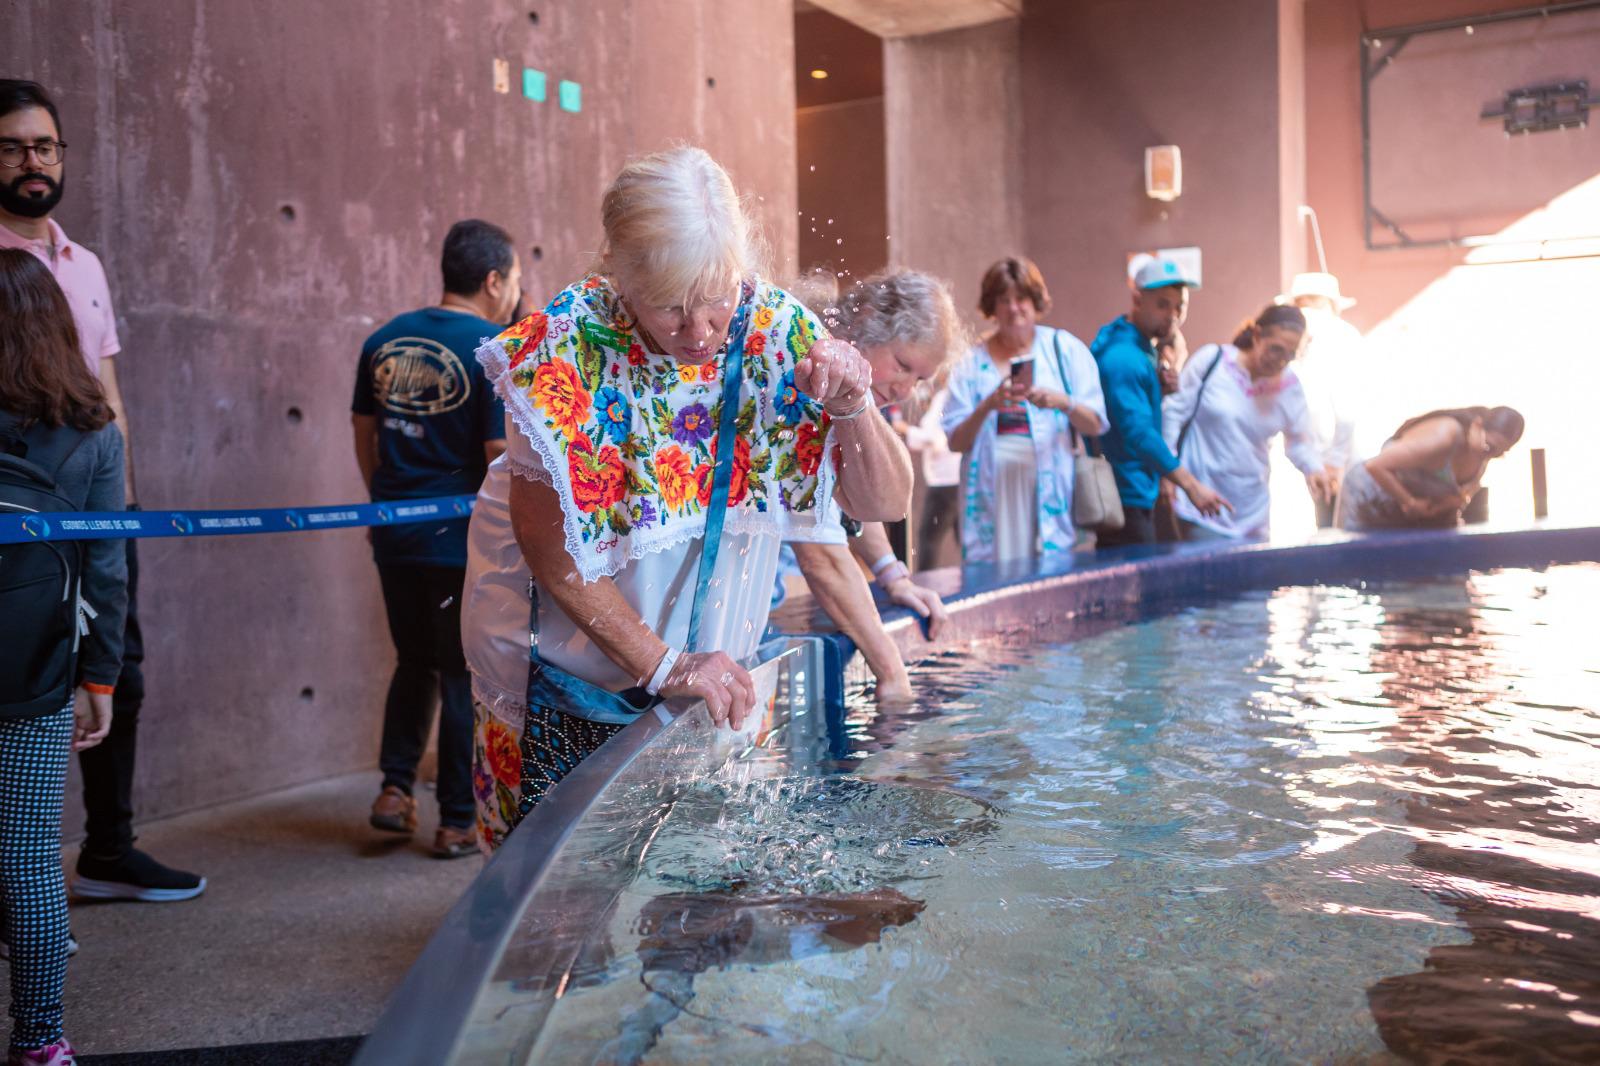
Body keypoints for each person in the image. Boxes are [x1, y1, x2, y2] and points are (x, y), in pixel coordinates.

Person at [461, 147, 911, 850]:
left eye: (717, 299)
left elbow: (884, 502)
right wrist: (666, 663)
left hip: (713, 667)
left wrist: (857, 406)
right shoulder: (565, 350)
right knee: (558, 882)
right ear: (619, 277)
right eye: (669, 308)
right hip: (577, 665)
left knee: (697, 875)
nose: (700, 331)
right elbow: (550, 553)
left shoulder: (780, 332)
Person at [0, 79, 203, 902]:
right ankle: (20, 876)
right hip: (14, 514)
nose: (31, 162)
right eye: (13, 147)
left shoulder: (84, 265)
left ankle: (109, 849)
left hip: (95, 501)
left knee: (118, 669)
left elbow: (107, 387)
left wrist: (124, 496)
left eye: (44, 146)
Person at [350, 220, 516, 857]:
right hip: (459, 542)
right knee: (457, 675)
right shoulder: (492, 346)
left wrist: (385, 501)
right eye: (513, 282)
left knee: (412, 660)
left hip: (393, 533)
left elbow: (362, 432)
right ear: (493, 279)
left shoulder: (382, 340)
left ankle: (394, 790)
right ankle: (454, 819)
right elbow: (499, 451)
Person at [0, 249, 124, 1066]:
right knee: (32, 860)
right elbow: (108, 568)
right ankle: (40, 1040)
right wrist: (101, 677)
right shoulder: (92, 433)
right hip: (38, 674)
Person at [786, 269, 965, 699]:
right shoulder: (809, 371)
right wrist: (891, 671)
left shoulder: (854, 391)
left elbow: (856, 498)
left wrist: (893, 576)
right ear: (865, 319)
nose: (905, 388)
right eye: (902, 365)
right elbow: (818, 549)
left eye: (920, 379)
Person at [942, 257, 1109, 564]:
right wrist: (988, 405)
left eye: (1020, 298)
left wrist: (1063, 402)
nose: (1013, 308)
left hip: (1049, 486)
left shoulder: (1065, 349)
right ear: (992, 306)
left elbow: (1096, 423)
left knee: (1050, 572)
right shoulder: (970, 363)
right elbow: (955, 442)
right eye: (1003, 300)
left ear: (1035, 302)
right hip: (992, 491)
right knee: (991, 574)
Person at [1160, 304, 1333, 541]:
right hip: (1200, 504)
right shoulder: (1214, 361)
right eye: (1275, 349)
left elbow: (1300, 442)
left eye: (1289, 356)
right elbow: (1173, 415)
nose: (1280, 361)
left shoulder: (1290, 387)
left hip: (1253, 514)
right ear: (1257, 335)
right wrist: (1169, 475)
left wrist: (1314, 469)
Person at [1090, 256, 1231, 548]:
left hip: (1135, 490)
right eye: (1163, 304)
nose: (1173, 315)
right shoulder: (1124, 358)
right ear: (1137, 299)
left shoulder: (1139, 347)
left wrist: (1158, 391)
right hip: (1125, 496)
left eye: (1180, 306)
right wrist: (1191, 486)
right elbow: (1138, 433)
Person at [1337, 407, 1524, 531]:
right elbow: (1376, 466)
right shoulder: (1444, 436)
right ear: (1477, 424)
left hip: (1411, 511)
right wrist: (1409, 502)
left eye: (1500, 453)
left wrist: (1449, 504)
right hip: (1369, 495)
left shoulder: (1482, 455)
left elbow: (1460, 497)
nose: (1490, 456)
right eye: (1489, 447)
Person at [1282, 272, 1362, 527]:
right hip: (1318, 459)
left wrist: (1334, 462)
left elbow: (1348, 408)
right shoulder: (1302, 342)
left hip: (1340, 461)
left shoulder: (1340, 337)